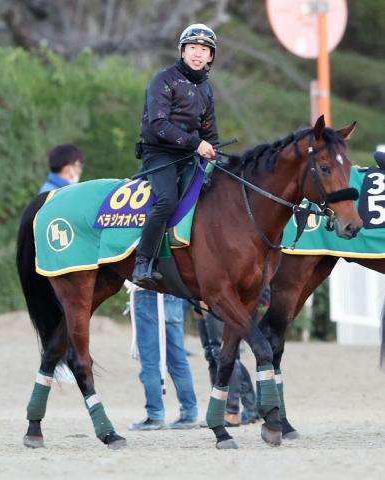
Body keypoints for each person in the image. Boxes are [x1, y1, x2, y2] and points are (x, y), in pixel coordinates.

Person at [132, 23, 219, 286]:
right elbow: (158, 125)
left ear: (210, 56)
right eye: (192, 47)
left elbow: (210, 134)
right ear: (182, 51)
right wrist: (196, 144)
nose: (197, 53)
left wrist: (218, 157)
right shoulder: (163, 79)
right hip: (159, 153)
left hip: (190, 156)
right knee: (167, 200)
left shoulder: (206, 90)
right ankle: (142, 262)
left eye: (204, 49)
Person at [127, 283, 198, 430]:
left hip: (147, 293)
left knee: (150, 362)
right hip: (173, 293)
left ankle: (155, 415)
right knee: (178, 360)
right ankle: (190, 413)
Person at [197, 309, 259, 427]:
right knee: (211, 354)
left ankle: (231, 411)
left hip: (216, 301)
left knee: (223, 352)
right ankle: (249, 407)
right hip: (199, 301)